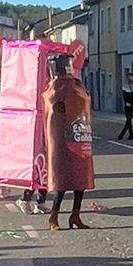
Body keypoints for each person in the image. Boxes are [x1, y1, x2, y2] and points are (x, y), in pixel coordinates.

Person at [43, 53, 94, 229]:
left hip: (78, 133)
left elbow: (83, 99)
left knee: (80, 179)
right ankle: (53, 217)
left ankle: (75, 215)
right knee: (62, 180)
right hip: (61, 137)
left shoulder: (75, 84)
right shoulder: (55, 85)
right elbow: (53, 103)